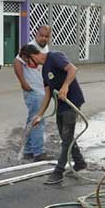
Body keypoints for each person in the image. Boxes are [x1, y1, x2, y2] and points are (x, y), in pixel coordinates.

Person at [21, 43, 87, 185]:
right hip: (61, 105)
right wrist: (39, 115)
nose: (28, 64)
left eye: (27, 61)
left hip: (72, 101)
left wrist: (65, 86)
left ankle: (58, 172)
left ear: (32, 56)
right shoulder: (44, 71)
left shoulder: (55, 56)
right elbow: (47, 94)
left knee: (66, 137)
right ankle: (80, 162)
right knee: (65, 136)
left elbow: (72, 69)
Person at [13, 25, 50, 160]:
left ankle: (28, 150)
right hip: (33, 91)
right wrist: (23, 83)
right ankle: (38, 152)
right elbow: (17, 62)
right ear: (36, 34)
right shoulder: (30, 47)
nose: (43, 38)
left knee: (32, 120)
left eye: (46, 36)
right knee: (38, 119)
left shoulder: (44, 48)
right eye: (41, 35)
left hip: (41, 90)